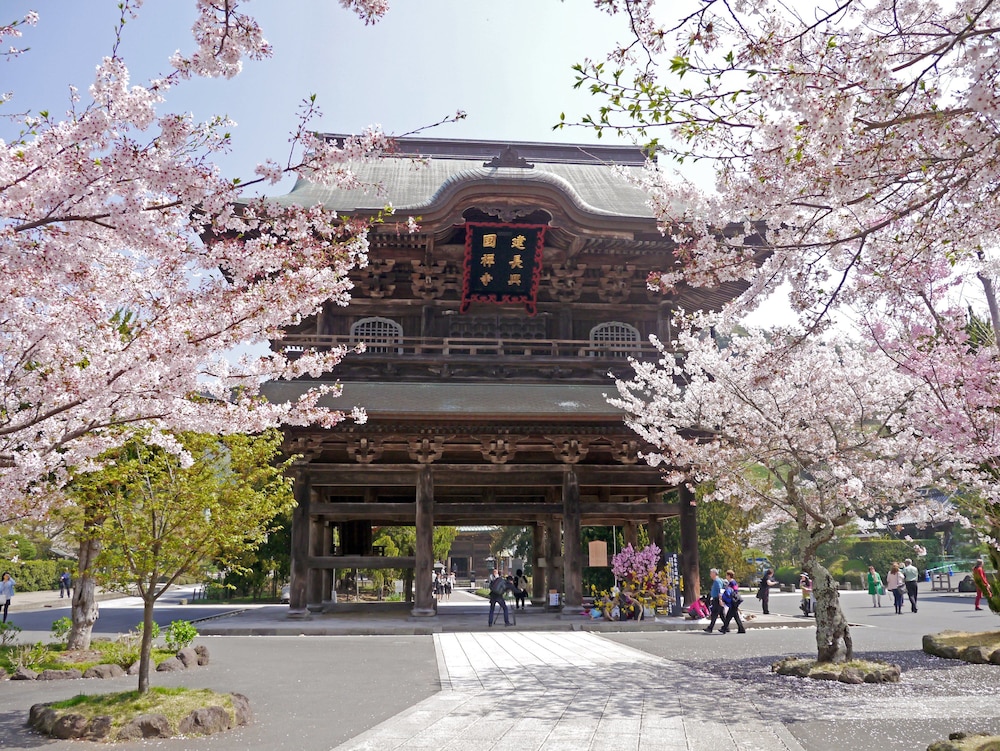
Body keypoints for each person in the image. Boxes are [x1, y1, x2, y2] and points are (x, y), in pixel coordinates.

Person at [720, 570, 746, 634]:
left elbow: (735, 591)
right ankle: (741, 629)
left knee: (729, 616)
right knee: (735, 616)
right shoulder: (731, 582)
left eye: (726, 575)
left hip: (733, 601)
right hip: (734, 601)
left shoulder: (732, 582)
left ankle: (725, 628)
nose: (726, 576)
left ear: (729, 575)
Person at [704, 568, 726, 633]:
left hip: (717, 600)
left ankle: (710, 628)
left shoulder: (717, 581)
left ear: (714, 573)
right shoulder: (716, 581)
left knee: (714, 614)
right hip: (716, 599)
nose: (710, 575)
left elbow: (720, 591)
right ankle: (726, 627)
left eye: (711, 573)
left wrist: (720, 599)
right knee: (721, 614)